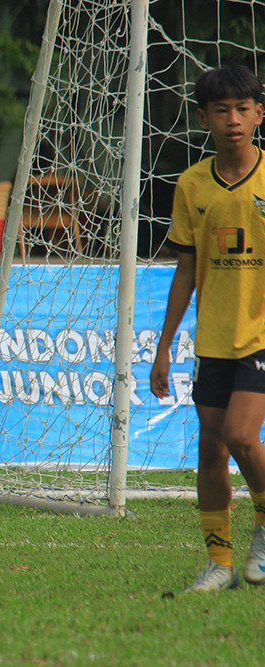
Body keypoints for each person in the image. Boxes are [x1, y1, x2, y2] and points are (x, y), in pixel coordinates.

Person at [150, 63, 265, 592]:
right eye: (222, 110)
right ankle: (220, 562)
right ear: (203, 119)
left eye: (242, 109)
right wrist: (165, 345)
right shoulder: (192, 184)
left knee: (242, 435)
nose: (233, 120)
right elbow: (186, 268)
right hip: (214, 338)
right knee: (212, 447)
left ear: (259, 114)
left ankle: (263, 527)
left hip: (260, 335)